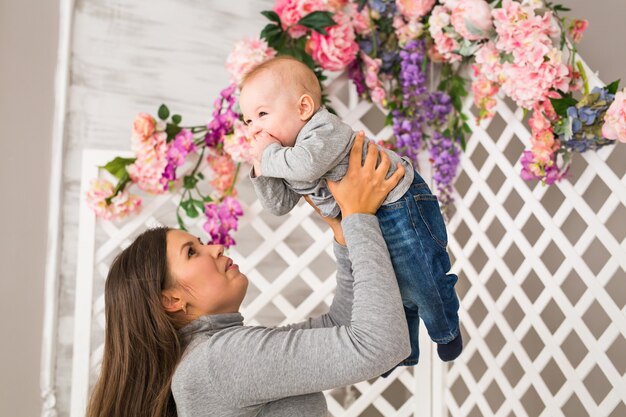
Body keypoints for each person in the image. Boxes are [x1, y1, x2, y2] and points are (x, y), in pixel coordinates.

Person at [87, 133, 411, 417]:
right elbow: (379, 346)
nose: (215, 248)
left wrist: (344, 235)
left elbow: (340, 325)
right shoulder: (218, 363)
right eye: (192, 252)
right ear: (171, 299)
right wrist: (359, 218)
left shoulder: (211, 357)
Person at [239, 56, 462, 373]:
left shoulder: (321, 130)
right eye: (248, 121)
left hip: (399, 201)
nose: (255, 128)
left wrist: (269, 154)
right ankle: (404, 350)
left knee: (421, 277)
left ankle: (446, 330)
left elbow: (307, 166)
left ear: (303, 108)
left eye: (262, 114)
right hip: (363, 216)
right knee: (392, 287)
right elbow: (279, 205)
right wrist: (261, 167)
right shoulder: (283, 156)